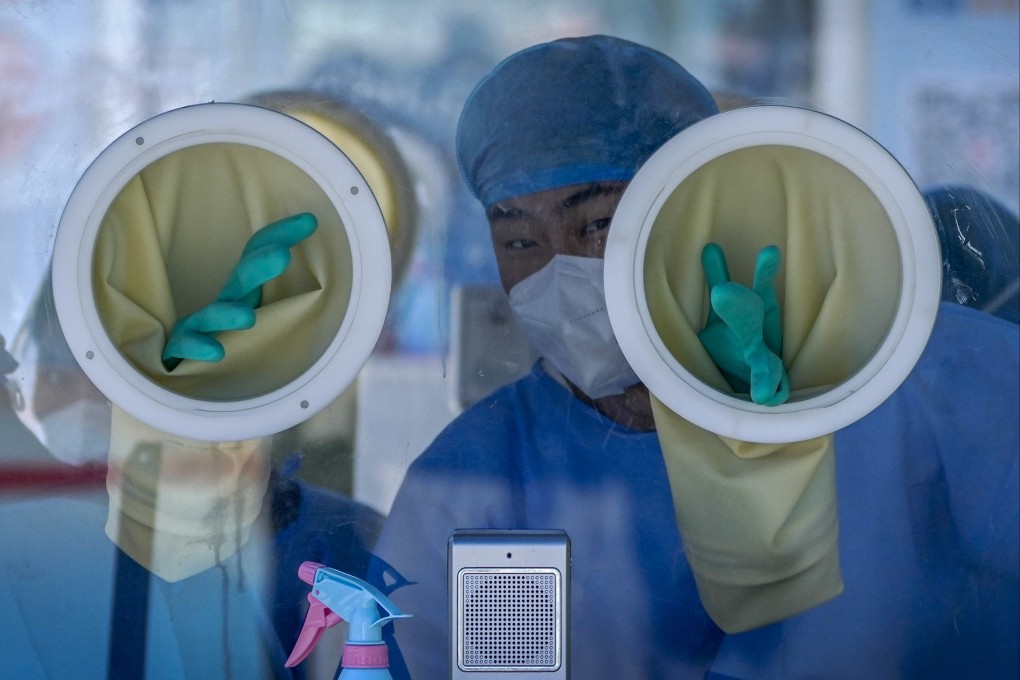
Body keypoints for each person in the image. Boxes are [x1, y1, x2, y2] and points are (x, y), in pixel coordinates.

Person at [369, 35, 1019, 679]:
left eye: (597, 223)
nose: (560, 269)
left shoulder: (904, 381)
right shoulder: (476, 477)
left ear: (699, 201)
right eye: (518, 239)